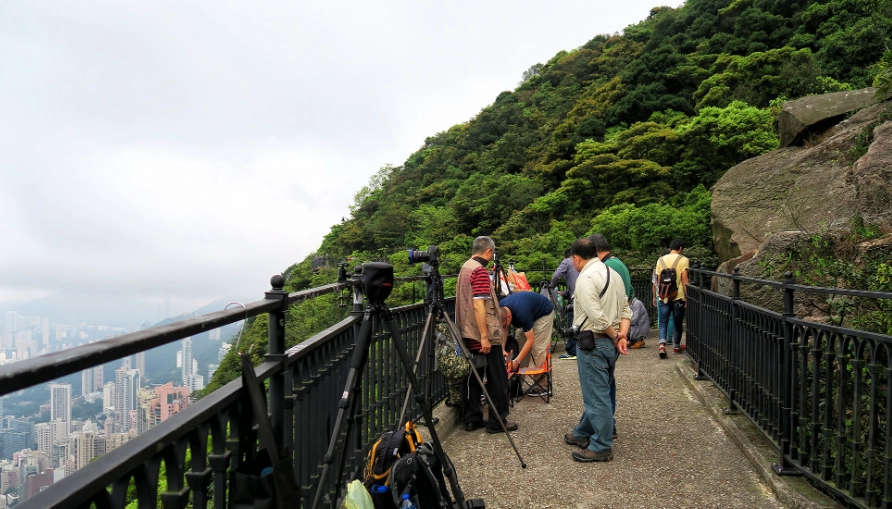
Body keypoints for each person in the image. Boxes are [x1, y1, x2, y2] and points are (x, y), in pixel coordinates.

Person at [563, 238, 631, 462]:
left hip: (593, 342)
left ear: (576, 258)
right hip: (610, 343)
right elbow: (625, 309)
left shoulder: (585, 278)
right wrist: (621, 335)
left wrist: (614, 335)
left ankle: (601, 446)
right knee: (600, 389)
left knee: (596, 396)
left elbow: (597, 317)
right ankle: (582, 432)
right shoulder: (615, 275)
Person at [455, 236, 518, 434]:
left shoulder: (465, 267)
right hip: (483, 333)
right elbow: (479, 305)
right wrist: (485, 336)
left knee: (474, 377)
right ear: (489, 251)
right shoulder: (479, 271)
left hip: (466, 330)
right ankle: (497, 421)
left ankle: (472, 418)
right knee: (498, 377)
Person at [499, 291, 555, 371]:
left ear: (508, 317)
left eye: (504, 325)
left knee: (539, 349)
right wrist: (502, 349)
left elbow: (530, 340)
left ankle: (542, 381)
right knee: (520, 342)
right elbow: (504, 329)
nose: (504, 327)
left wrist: (517, 361)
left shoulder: (522, 312)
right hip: (529, 314)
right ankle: (519, 379)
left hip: (543, 313)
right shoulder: (500, 308)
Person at [655, 239, 690, 359]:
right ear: (680, 248)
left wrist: (661, 293)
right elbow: (684, 279)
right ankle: (676, 346)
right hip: (678, 295)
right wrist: (687, 296)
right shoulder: (683, 260)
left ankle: (662, 346)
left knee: (663, 321)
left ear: (670, 248)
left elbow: (659, 279)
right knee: (678, 322)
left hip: (664, 295)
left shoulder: (660, 260)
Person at [550, 248, 579, 359]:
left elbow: (556, 275)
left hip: (576, 298)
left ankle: (572, 351)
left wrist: (551, 287)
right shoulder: (582, 262)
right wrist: (564, 293)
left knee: (571, 322)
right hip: (584, 295)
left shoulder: (567, 261)